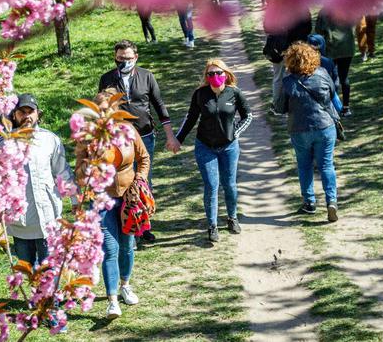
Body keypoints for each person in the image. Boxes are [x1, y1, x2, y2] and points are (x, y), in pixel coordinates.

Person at [74, 89, 151, 319]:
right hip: (102, 199)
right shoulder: (88, 137)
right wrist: (88, 169)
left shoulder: (128, 131)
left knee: (127, 245)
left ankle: (125, 285)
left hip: (129, 197)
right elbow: (78, 171)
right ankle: (112, 300)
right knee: (111, 248)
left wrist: (139, 179)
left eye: (110, 110)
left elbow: (144, 158)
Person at [98, 40, 180, 244]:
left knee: (142, 179)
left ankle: (143, 226)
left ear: (135, 57)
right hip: (118, 140)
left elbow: (159, 106)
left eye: (127, 58)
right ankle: (126, 226)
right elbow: (102, 106)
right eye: (119, 59)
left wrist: (170, 135)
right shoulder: (107, 79)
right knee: (122, 180)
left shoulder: (146, 76)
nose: (123, 62)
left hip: (143, 135)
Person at [176, 59, 252, 242]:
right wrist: (178, 140)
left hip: (229, 147)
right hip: (205, 147)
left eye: (218, 73)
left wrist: (235, 132)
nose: (215, 77)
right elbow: (190, 119)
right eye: (211, 74)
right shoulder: (200, 94)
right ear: (206, 77)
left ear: (225, 74)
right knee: (211, 185)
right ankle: (212, 225)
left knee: (230, 184)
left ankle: (232, 218)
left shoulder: (235, 93)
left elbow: (248, 116)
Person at [272, 42, 341, 223]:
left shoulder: (287, 82)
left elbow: (279, 108)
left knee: (304, 165)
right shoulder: (323, 74)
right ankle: (331, 200)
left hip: (299, 129)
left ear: (290, 61)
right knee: (326, 165)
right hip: (325, 126)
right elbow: (333, 92)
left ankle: (309, 202)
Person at [6, 93, 73, 268]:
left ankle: (50, 296)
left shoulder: (50, 140)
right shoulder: (5, 144)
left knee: (50, 268)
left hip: (47, 214)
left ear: (38, 114)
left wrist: (74, 199)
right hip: (20, 220)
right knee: (27, 270)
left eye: (31, 111)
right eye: (22, 112)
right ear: (14, 115)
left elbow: (62, 171)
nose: (27, 116)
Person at [266, 15, 314, 112]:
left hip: (280, 48)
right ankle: (296, 103)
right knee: (298, 76)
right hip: (299, 48)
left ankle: (277, 105)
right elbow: (308, 28)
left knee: (278, 77)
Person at [316, 11, 356, 116]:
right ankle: (346, 108)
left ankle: (332, 106)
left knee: (330, 78)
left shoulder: (324, 12)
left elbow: (318, 31)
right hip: (347, 48)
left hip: (331, 48)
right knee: (344, 77)